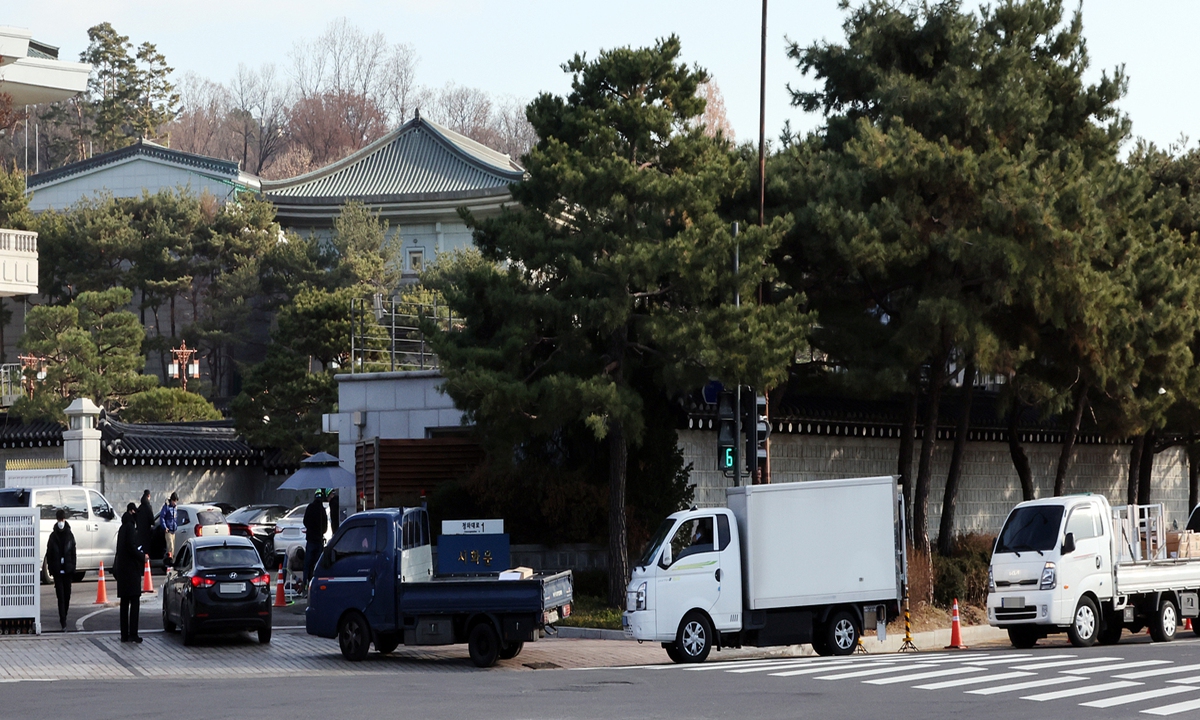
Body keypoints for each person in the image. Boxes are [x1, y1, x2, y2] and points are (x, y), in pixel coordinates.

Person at [114, 503, 145, 643]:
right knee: (135, 602)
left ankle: (124, 635)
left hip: (122, 571)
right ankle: (133, 633)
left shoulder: (121, 528)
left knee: (124, 604)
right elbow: (132, 548)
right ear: (132, 512)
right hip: (131, 571)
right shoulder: (131, 528)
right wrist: (142, 556)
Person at [45, 509, 76, 631]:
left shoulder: (70, 535)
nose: (60, 522)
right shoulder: (53, 536)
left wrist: (73, 567)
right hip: (58, 571)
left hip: (67, 570)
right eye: (59, 520)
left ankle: (65, 615)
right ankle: (62, 620)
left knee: (67, 595)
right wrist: (51, 569)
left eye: (62, 520)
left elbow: (73, 553)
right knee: (61, 597)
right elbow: (49, 554)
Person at [302, 491, 328, 593]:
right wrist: (320, 531)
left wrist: (310, 529)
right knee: (317, 565)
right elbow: (325, 528)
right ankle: (316, 585)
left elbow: (305, 521)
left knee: (307, 564)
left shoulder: (310, 508)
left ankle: (304, 584)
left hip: (310, 540)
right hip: (318, 541)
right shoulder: (322, 511)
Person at [158, 492, 179, 563]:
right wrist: (165, 527)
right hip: (168, 530)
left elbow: (175, 519)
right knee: (171, 547)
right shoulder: (166, 507)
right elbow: (162, 517)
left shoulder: (175, 508)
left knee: (173, 548)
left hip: (173, 530)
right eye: (174, 501)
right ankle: (170, 562)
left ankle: (171, 561)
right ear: (172, 500)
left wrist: (175, 526)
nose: (175, 503)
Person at [136, 489, 154, 559]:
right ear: (148, 496)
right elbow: (151, 519)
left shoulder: (140, 507)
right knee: (146, 547)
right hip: (147, 531)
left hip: (140, 531)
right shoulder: (148, 507)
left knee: (141, 547)